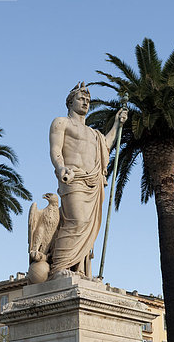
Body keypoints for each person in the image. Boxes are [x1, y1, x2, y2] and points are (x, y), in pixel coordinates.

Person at [49, 82, 127, 277]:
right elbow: (55, 149)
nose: (85, 102)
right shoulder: (61, 122)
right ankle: (59, 267)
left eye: (88, 100)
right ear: (70, 102)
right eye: (81, 99)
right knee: (77, 221)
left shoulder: (94, 134)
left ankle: (78, 269)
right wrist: (60, 168)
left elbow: (106, 147)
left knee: (89, 228)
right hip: (73, 177)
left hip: (93, 182)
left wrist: (117, 124)